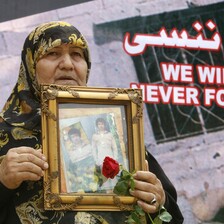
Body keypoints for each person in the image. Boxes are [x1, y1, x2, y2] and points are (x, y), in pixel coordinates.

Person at [0, 21, 184, 223]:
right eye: (53, 53)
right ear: (30, 64)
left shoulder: (118, 124)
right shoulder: (5, 135)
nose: (68, 64)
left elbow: (171, 217)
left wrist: (158, 199)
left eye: (77, 54)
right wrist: (2, 181)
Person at [66, 127, 96, 193]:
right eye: (73, 137)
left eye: (76, 136)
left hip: (92, 173)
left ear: (79, 136)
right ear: (71, 139)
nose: (75, 138)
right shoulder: (71, 151)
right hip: (81, 177)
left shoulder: (88, 146)